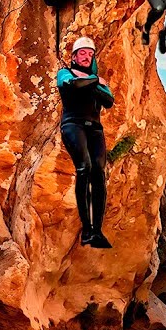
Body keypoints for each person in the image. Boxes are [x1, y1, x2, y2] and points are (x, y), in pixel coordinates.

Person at [56, 37, 114, 249]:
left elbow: (108, 101)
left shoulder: (94, 78)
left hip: (94, 128)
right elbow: (73, 84)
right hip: (73, 124)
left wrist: (93, 81)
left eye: (90, 54)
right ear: (74, 56)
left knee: (98, 172)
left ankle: (96, 231)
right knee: (85, 167)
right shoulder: (65, 73)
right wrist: (96, 82)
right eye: (83, 53)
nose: (87, 57)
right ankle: (87, 229)